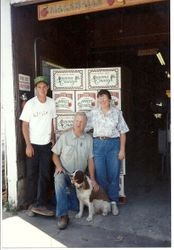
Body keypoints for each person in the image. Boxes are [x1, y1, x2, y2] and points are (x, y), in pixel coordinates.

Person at [85, 89, 129, 216]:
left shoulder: (117, 113)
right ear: (97, 100)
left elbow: (123, 132)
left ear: (109, 99)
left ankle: (114, 202)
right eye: (100, 98)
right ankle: (105, 202)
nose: (102, 101)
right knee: (101, 174)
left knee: (114, 174)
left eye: (105, 98)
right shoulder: (93, 113)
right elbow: (82, 124)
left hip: (113, 144)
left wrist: (122, 149)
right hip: (98, 144)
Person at [52, 112, 99, 230]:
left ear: (86, 124)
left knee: (78, 208)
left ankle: (58, 200)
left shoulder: (89, 139)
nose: (79, 124)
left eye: (82, 122)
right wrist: (58, 166)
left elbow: (90, 160)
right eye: (77, 121)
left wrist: (92, 179)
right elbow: (54, 155)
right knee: (58, 179)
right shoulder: (64, 137)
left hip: (79, 179)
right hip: (66, 174)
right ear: (73, 122)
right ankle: (63, 216)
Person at [19, 75, 57, 216]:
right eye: (39, 87)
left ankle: (41, 204)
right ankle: (31, 204)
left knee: (45, 174)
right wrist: (28, 145)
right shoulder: (30, 104)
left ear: (47, 88)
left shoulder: (51, 103)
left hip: (46, 145)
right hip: (33, 145)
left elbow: (52, 123)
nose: (42, 89)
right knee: (32, 175)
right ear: (36, 89)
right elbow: (24, 126)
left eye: (44, 87)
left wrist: (53, 138)